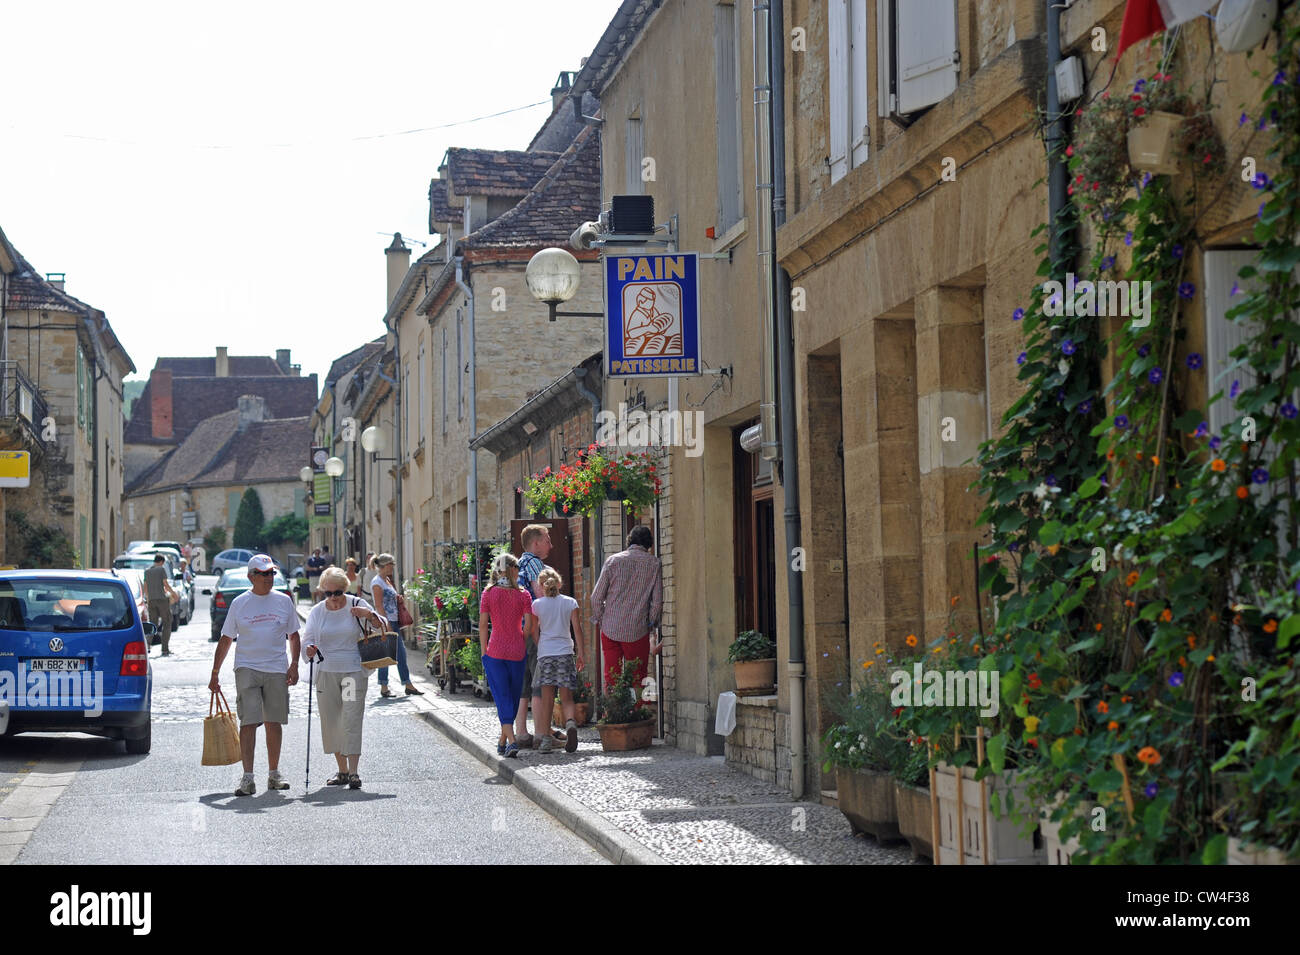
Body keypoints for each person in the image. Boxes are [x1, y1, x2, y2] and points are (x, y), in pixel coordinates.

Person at [208, 554, 301, 796]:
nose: (269, 577)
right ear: (252, 577)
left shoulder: (283, 601)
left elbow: (294, 635)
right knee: (248, 721)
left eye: (272, 573)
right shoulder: (240, 603)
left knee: (273, 721)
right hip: (247, 667)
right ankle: (247, 778)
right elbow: (226, 638)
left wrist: (294, 665)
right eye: (264, 573)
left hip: (276, 668)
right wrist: (215, 672)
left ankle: (274, 774)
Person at [301, 566, 385, 790]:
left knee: (350, 717)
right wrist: (308, 649)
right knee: (332, 721)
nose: (333, 598)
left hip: (351, 672)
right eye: (328, 593)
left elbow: (382, 625)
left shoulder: (356, 604)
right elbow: (306, 638)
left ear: (345, 589)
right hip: (326, 672)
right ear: (322, 592)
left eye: (337, 592)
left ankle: (354, 772)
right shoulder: (318, 611)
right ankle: (342, 771)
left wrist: (368, 615)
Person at [590, 525, 663, 690]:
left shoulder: (613, 561)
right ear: (649, 544)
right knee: (638, 676)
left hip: (610, 628)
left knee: (611, 676)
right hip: (637, 628)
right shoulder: (654, 564)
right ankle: (636, 711)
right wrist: (650, 623)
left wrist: (603, 620)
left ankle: (612, 713)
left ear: (629, 540)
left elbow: (595, 598)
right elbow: (657, 601)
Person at [478, 553, 536, 758]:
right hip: (517, 651)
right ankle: (509, 740)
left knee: (502, 696)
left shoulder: (488, 593)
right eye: (518, 569)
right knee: (511, 697)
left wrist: (484, 651)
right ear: (512, 570)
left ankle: (506, 740)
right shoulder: (524, 595)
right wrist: (520, 637)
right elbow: (528, 626)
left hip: (494, 651)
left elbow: (483, 625)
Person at [530, 568, 585, 753]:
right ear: (559, 583)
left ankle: (546, 740)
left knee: (547, 699)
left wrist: (541, 645)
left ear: (541, 585)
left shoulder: (537, 605)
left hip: (546, 654)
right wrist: (581, 654)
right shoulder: (570, 603)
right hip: (565, 653)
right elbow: (577, 630)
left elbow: (533, 631)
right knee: (566, 697)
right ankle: (570, 724)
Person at [515, 524, 556, 748]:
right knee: (540, 679)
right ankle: (541, 733)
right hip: (533, 629)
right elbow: (539, 598)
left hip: (520, 628)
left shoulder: (519, 563)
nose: (551, 544)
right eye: (547, 539)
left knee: (524, 680)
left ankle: (521, 731)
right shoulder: (534, 564)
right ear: (536, 542)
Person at [370, 553, 422, 698]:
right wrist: (386, 626)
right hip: (385, 622)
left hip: (393, 620)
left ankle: (403, 684)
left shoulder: (386, 580)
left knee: (399, 654)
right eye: (391, 565)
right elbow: (379, 606)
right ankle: (387, 686)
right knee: (387, 655)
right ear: (385, 566)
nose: (393, 568)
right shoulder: (377, 583)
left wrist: (397, 598)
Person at [143, 554, 179, 656]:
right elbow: (165, 584)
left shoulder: (147, 571)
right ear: (161, 562)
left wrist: (148, 599)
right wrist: (174, 594)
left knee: (152, 624)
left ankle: (147, 646)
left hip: (152, 601)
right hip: (162, 600)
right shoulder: (161, 570)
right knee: (167, 622)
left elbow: (145, 587)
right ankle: (164, 649)